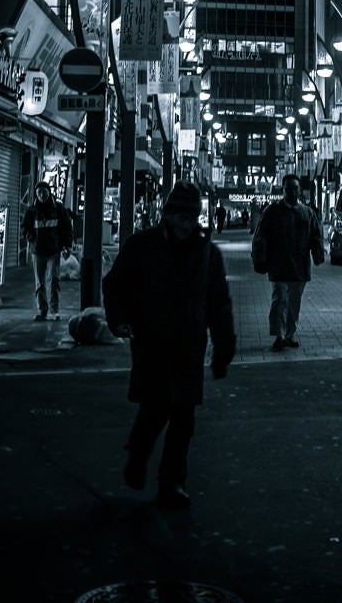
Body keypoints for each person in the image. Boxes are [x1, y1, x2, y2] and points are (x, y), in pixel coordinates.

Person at [102, 180, 236, 510]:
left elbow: (219, 303)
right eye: (179, 216)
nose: (184, 224)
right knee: (155, 409)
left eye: (190, 218)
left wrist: (223, 347)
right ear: (167, 214)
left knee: (183, 418)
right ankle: (138, 454)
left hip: (189, 343)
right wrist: (118, 319)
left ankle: (172, 482)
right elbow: (114, 284)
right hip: (152, 340)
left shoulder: (207, 253)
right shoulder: (142, 246)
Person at [251, 173, 324, 352]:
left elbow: (316, 236)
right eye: (288, 189)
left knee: (294, 302)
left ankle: (289, 334)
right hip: (278, 265)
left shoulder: (307, 213)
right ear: (283, 190)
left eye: (295, 188)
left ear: (299, 190)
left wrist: (318, 254)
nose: (292, 192)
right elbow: (260, 235)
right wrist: (260, 258)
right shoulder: (272, 211)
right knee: (280, 299)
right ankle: (279, 335)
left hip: (299, 266)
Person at [21, 180, 74, 321]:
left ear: (49, 192)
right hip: (37, 251)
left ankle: (54, 310)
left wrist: (66, 245)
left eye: (44, 192)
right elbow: (24, 227)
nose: (42, 195)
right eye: (39, 192)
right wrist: (30, 237)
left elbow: (67, 228)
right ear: (36, 194)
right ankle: (42, 310)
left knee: (54, 280)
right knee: (40, 282)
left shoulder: (59, 209)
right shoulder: (31, 211)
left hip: (54, 251)